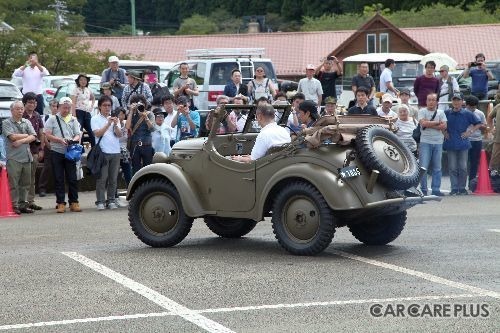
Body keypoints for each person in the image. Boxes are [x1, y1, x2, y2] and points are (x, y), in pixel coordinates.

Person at [44, 97, 82, 213]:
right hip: (57, 151)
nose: (66, 110)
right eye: (64, 107)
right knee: (58, 178)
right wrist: (59, 140)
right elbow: (48, 135)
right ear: (59, 107)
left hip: (70, 151)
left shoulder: (73, 119)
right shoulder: (52, 119)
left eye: (68, 108)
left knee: (72, 178)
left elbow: (78, 134)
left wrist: (73, 140)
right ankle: (60, 202)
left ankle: (74, 202)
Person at [2, 101, 37, 214]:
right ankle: (14, 204)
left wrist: (21, 140)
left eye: (22, 109)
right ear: (12, 111)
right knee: (13, 183)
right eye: (17, 109)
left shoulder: (26, 121)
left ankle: (23, 204)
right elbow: (12, 137)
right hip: (13, 157)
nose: (20, 111)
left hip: (27, 156)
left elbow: (34, 136)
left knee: (26, 183)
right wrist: (27, 135)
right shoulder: (6, 122)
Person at [443, 93, 482, 195]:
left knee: (463, 167)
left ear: (462, 102)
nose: (456, 102)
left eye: (458, 100)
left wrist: (469, 132)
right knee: (452, 167)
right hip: (450, 143)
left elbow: (478, 123)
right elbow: (440, 123)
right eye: (454, 100)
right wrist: (444, 132)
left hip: (463, 143)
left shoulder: (467, 113)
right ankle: (454, 188)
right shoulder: (446, 112)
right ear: (452, 101)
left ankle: (462, 188)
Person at [91, 95, 122, 210]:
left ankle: (111, 200)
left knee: (113, 178)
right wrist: (108, 124)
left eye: (109, 105)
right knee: (102, 178)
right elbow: (97, 133)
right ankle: (100, 201)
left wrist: (115, 125)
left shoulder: (115, 119)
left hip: (115, 151)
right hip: (103, 152)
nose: (107, 108)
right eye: (104, 105)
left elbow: (119, 135)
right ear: (99, 106)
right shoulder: (95, 119)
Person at [418, 93, 447, 196]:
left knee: (437, 167)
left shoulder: (441, 112)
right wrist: (437, 123)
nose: (431, 102)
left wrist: (430, 123)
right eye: (429, 100)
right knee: (423, 167)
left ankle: (436, 189)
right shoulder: (422, 111)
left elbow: (444, 126)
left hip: (438, 142)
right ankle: (424, 189)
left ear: (437, 102)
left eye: (433, 100)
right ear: (426, 101)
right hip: (425, 142)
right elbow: (423, 124)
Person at [22, 92, 44, 211]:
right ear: (24, 103)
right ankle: (22, 201)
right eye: (30, 102)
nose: (32, 104)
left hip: (35, 149)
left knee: (32, 177)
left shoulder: (37, 115)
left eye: (34, 102)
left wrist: (41, 149)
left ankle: (30, 201)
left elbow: (41, 133)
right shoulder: (21, 115)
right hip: (22, 150)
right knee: (23, 177)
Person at [125, 94, 155, 174]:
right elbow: (127, 126)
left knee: (148, 169)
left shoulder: (149, 114)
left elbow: (152, 129)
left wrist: (146, 118)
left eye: (141, 103)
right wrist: (131, 111)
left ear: (145, 104)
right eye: (136, 104)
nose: (139, 105)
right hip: (135, 145)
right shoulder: (132, 114)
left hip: (147, 144)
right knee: (135, 169)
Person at [464, 95, 487, 188]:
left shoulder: (480, 113)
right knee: (463, 163)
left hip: (477, 140)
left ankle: (471, 184)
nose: (472, 109)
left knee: (474, 162)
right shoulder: (463, 113)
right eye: (470, 107)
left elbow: (485, 127)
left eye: (474, 107)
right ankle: (461, 184)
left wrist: (478, 125)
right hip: (465, 139)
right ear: (466, 105)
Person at [38, 99, 58, 197]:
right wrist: (46, 144)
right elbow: (43, 133)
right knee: (47, 166)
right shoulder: (45, 118)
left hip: (59, 144)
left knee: (59, 167)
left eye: (56, 106)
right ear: (50, 107)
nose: (55, 108)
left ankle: (58, 187)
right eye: (53, 106)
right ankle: (42, 188)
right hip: (48, 144)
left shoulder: (62, 118)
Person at [71, 73, 96, 147]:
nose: (83, 81)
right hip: (79, 112)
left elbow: (93, 98)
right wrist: (74, 115)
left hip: (87, 112)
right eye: (81, 80)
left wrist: (91, 106)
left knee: (91, 131)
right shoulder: (75, 90)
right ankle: (80, 149)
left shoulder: (88, 89)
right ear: (78, 81)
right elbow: (73, 103)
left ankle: (94, 149)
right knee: (79, 131)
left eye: (85, 80)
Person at [116, 108, 132, 187]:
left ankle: (130, 190)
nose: (120, 116)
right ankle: (114, 195)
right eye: (119, 114)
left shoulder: (126, 123)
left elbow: (128, 128)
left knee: (128, 172)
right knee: (114, 174)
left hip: (125, 152)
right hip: (115, 151)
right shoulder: (114, 124)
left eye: (122, 114)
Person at [487, 101, 500, 173]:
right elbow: (489, 117)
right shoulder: (498, 106)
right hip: (498, 139)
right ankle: (493, 177)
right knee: (494, 160)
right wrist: (491, 128)